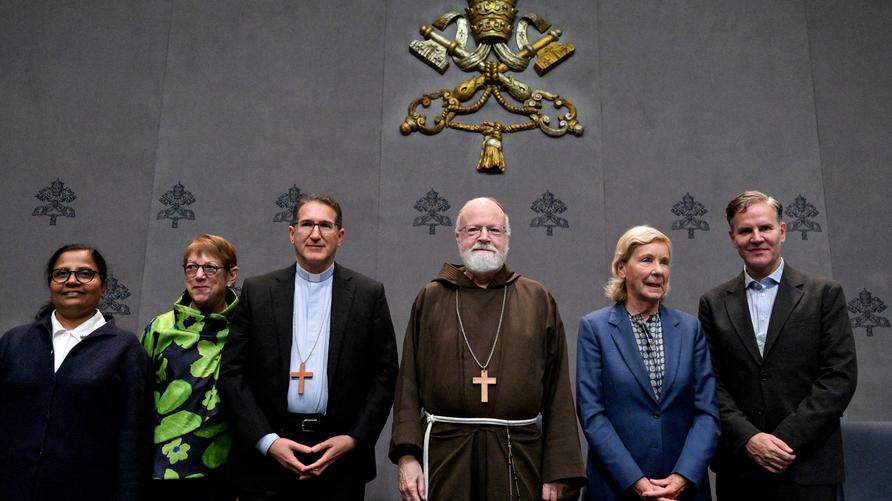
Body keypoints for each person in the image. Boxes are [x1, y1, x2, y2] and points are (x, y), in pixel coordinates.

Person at [391, 197, 585, 501]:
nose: (483, 237)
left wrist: (559, 470)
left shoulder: (536, 298)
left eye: (494, 230)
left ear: (507, 238)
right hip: (445, 456)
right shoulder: (431, 298)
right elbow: (408, 386)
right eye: (473, 230)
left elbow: (558, 390)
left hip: (516, 454)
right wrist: (407, 456)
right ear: (458, 237)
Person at [219, 192, 398, 500]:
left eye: (325, 226)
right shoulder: (257, 292)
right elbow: (233, 374)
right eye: (307, 224)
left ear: (340, 236)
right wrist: (267, 441)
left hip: (340, 461)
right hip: (267, 460)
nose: (316, 234)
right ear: (292, 233)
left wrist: (354, 438)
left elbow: (384, 375)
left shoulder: (368, 295)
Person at [698, 191, 857, 501]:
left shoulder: (824, 294)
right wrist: (751, 440)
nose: (756, 238)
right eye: (745, 231)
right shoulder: (713, 303)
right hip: (741, 469)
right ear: (733, 238)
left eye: (765, 228)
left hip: (808, 467)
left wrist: (783, 441)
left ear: (782, 231)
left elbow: (839, 378)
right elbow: (709, 382)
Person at [576, 226, 720, 501]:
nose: (658, 270)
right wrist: (639, 483)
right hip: (617, 489)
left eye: (664, 262)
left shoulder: (690, 329)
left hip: (684, 490)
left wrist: (681, 478)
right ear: (621, 269)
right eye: (646, 260)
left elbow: (707, 413)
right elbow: (593, 416)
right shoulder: (595, 329)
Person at [0, 244, 152, 501]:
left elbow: (134, 438)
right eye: (62, 273)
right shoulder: (14, 342)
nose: (72, 280)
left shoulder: (124, 349)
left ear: (104, 286)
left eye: (85, 273)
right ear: (51, 283)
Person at [141, 234, 241, 500]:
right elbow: (137, 398)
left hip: (221, 467)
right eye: (191, 267)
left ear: (231, 275)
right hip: (160, 466)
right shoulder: (159, 328)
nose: (199, 275)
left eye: (210, 268)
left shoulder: (245, 328)